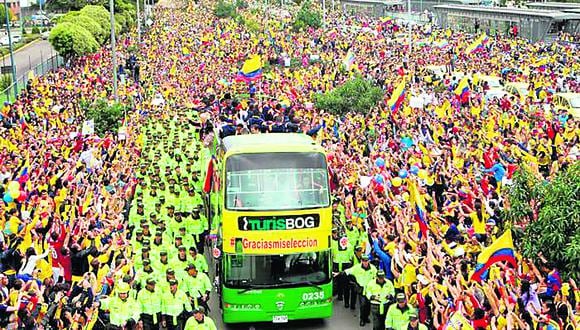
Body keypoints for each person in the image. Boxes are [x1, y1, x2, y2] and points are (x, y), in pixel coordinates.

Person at [343, 254, 377, 326]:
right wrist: (339, 273)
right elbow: (348, 271)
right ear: (361, 261)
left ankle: (366, 317)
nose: (365, 262)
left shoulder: (373, 268)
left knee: (368, 305)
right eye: (363, 261)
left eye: (366, 261)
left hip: (370, 290)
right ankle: (362, 319)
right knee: (362, 305)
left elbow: (376, 278)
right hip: (361, 289)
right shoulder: (357, 267)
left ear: (369, 261)